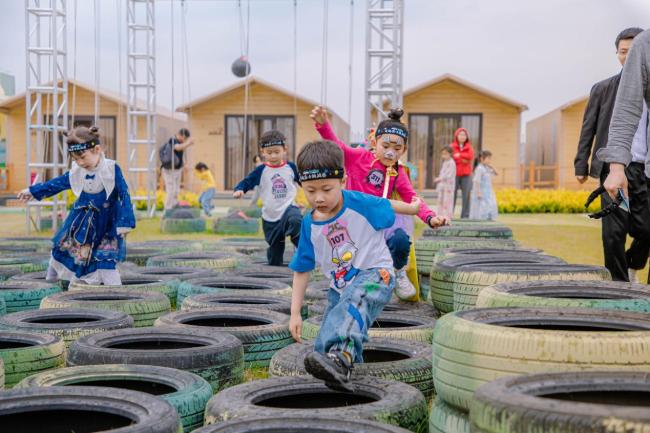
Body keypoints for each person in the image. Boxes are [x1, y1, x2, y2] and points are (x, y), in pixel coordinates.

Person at [288, 140, 422, 391]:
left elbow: (387, 205)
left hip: (376, 273)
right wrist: (295, 313)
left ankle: (342, 359)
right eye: (310, 190)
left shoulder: (359, 202)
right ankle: (345, 374)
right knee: (325, 341)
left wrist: (414, 208)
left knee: (353, 307)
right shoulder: (309, 224)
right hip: (340, 286)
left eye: (327, 189)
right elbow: (302, 268)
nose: (318, 198)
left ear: (343, 181)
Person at [311, 106, 447, 301]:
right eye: (386, 146)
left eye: (397, 149)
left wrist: (431, 217)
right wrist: (323, 126)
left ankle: (398, 271)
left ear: (404, 151)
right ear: (374, 142)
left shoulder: (397, 171)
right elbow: (337, 146)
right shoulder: (358, 158)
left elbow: (411, 197)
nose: (390, 153)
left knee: (400, 239)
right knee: (351, 261)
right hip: (355, 223)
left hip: (381, 223)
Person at [17, 126, 135, 285]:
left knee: (106, 260)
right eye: (75, 159)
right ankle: (48, 286)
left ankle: (119, 297)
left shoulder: (111, 169)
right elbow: (56, 184)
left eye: (83, 157)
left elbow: (124, 194)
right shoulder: (77, 171)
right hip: (81, 224)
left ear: (97, 149)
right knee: (60, 252)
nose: (80, 162)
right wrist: (32, 191)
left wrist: (125, 222)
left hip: (106, 226)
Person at [577, 27, 649, 282]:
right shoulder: (604, 88)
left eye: (635, 52)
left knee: (645, 230)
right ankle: (618, 286)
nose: (629, 57)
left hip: (644, 167)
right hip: (614, 167)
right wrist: (581, 164)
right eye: (623, 52)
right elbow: (589, 127)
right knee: (613, 233)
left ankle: (634, 263)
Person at [233, 130, 302, 266]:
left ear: (284, 150)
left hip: (288, 208)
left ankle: (302, 248)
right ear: (263, 152)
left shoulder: (291, 167)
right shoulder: (261, 170)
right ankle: (275, 266)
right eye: (269, 153)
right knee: (275, 255)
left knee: (295, 220)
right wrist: (240, 189)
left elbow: (305, 182)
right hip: (270, 217)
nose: (273, 156)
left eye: (277, 152)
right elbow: (248, 181)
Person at [159, 128, 195, 211]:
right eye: (185, 138)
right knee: (171, 190)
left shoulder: (181, 142)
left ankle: (174, 205)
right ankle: (167, 209)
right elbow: (177, 148)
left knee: (176, 190)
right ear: (181, 135)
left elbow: (181, 154)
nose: (185, 140)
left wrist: (185, 164)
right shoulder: (173, 140)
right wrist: (188, 143)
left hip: (177, 170)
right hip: (169, 170)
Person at [451, 128, 475, 219]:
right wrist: (463, 159)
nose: (462, 136)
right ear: (456, 136)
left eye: (464, 135)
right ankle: (450, 214)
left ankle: (465, 215)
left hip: (466, 174)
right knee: (452, 194)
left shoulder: (469, 147)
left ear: (466, 137)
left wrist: (459, 156)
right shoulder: (452, 146)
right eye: (460, 134)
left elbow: (470, 157)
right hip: (454, 175)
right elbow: (452, 157)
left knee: (466, 195)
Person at [469, 150, 498, 220]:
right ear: (482, 158)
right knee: (481, 207)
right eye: (488, 158)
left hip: (488, 191)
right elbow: (477, 181)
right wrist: (478, 192)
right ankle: (480, 220)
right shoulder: (479, 168)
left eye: (490, 158)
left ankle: (487, 219)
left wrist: (491, 166)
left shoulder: (487, 168)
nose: (489, 160)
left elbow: (496, 173)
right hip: (481, 191)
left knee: (489, 205)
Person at [433, 145, 456, 220]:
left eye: (445, 154)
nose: (444, 155)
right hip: (443, 185)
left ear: (450, 154)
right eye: (442, 154)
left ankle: (447, 217)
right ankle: (440, 216)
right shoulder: (445, 162)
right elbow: (442, 173)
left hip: (448, 186)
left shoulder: (451, 163)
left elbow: (449, 175)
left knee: (447, 202)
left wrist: (439, 179)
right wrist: (440, 179)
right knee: (441, 201)